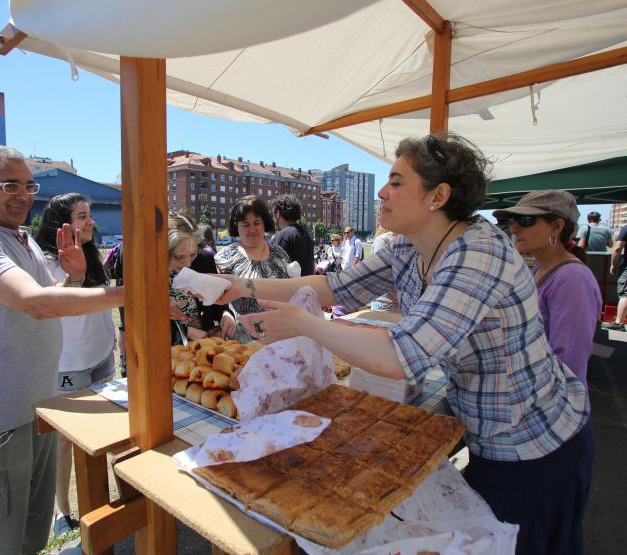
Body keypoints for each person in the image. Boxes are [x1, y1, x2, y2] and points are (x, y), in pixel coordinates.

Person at [215, 133, 593, 555]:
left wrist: (307, 326)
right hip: (486, 434)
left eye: (396, 181)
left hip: (536, 443)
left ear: (439, 195)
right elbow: (333, 286)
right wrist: (238, 285)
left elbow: (403, 356)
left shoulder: (479, 252)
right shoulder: (408, 248)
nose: (382, 191)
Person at [0, 146, 124, 555]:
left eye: (28, 185)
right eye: (9, 185)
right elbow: (36, 304)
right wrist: (127, 293)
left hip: (36, 409)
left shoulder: (22, 240)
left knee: (31, 533)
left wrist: (74, 279)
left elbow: (45, 297)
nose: (23, 195)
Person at [34, 193, 117, 536]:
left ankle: (98, 501)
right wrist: (74, 278)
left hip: (101, 356)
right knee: (64, 440)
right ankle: (61, 512)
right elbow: (56, 298)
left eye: (89, 214)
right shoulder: (46, 259)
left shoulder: (92, 252)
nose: (90, 221)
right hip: (69, 363)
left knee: (104, 431)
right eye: (81, 216)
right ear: (60, 222)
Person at [493, 190, 600, 385]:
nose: (514, 228)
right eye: (512, 220)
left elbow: (569, 360)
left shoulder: (572, 278)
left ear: (557, 227)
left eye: (525, 220)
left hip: (553, 405)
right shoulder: (540, 267)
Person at [214, 195, 290, 317]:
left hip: (282, 331)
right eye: (245, 224)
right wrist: (224, 314)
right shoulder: (224, 257)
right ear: (236, 226)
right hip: (240, 334)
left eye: (256, 223)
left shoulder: (280, 253)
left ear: (264, 224)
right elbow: (216, 299)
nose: (252, 229)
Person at [169, 214, 235, 342]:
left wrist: (225, 314)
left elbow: (216, 300)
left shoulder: (204, 259)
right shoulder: (150, 273)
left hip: (203, 349)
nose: (188, 263)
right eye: (179, 257)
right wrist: (186, 331)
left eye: (192, 254)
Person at [270, 194, 315, 276]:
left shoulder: (282, 236)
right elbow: (312, 268)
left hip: (287, 288)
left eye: (273, 212)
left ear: (278, 213)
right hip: (306, 286)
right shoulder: (306, 235)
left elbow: (273, 271)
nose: (273, 216)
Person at [603, 223, 627, 331]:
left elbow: (617, 248)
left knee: (625, 294)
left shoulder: (626, 228)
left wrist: (613, 264)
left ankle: (619, 323)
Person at [369, 226, 399, 312]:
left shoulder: (408, 240)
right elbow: (380, 273)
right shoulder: (383, 240)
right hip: (385, 303)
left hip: (400, 303)